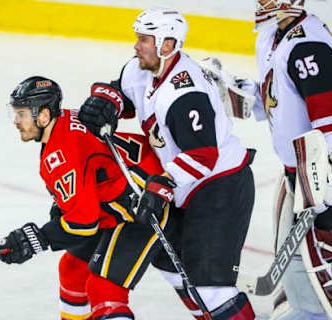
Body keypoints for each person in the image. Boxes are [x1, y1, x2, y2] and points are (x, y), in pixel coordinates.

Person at [78, 7, 257, 319]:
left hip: (220, 187)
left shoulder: (186, 93)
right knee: (171, 263)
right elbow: (123, 91)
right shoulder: (142, 69)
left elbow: (203, 155)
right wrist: (107, 101)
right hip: (186, 185)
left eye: (144, 40)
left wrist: (162, 182)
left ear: (167, 45)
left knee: (210, 288)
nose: (136, 46)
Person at [0, 75, 178, 319]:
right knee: (72, 268)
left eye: (22, 114)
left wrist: (36, 238)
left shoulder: (60, 154)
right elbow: (90, 178)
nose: (16, 121)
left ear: (44, 115)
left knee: (103, 290)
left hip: (145, 207)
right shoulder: (67, 119)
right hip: (127, 197)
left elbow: (84, 223)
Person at [225, 1, 332, 319]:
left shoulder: (307, 45)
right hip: (298, 178)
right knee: (296, 273)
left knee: (311, 278)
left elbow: (330, 121)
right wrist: (240, 94)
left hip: (318, 183)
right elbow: (278, 99)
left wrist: (328, 186)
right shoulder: (272, 34)